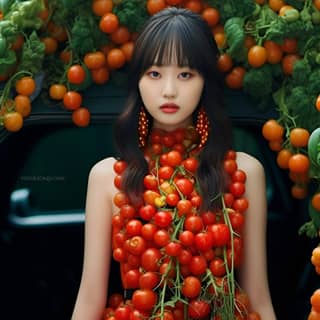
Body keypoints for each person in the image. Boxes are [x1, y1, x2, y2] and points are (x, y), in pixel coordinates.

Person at [71, 7, 277, 320]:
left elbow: (258, 299)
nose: (169, 90)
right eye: (154, 73)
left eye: (185, 74)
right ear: (138, 82)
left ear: (205, 80)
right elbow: (89, 301)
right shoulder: (107, 177)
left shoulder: (244, 172)